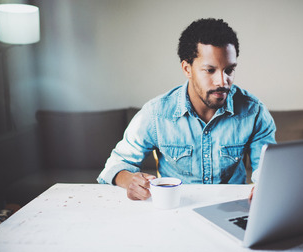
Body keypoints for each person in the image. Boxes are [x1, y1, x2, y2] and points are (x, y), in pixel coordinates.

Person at [97, 18, 276, 200]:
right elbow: (115, 165)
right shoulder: (156, 114)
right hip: (177, 209)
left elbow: (266, 170)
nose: (222, 81)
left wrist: (266, 186)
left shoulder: (254, 112)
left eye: (229, 70)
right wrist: (129, 180)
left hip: (231, 209)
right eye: (210, 70)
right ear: (187, 68)